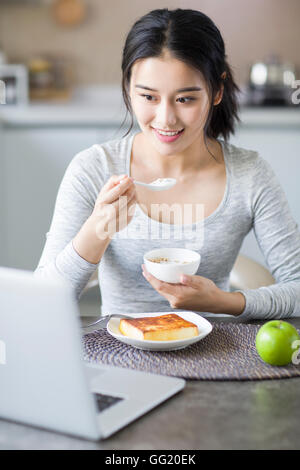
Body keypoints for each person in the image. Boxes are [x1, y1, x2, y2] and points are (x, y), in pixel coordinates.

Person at [34, 8, 300, 320]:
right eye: (148, 97)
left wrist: (224, 302)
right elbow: (41, 301)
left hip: (217, 357)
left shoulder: (250, 175)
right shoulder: (94, 168)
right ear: (128, 88)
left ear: (217, 91)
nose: (166, 119)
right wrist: (96, 231)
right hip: (120, 354)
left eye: (185, 99)